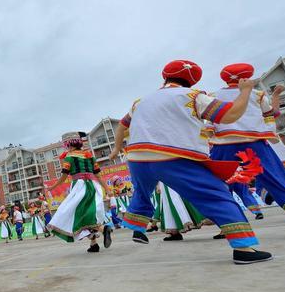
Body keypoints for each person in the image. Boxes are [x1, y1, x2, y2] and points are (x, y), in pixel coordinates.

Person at [110, 59, 272, 264]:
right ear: (192, 81)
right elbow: (230, 115)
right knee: (217, 196)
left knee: (142, 193)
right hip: (172, 157)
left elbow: (121, 127)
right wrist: (246, 91)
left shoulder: (140, 101)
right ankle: (244, 249)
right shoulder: (194, 96)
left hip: (136, 158)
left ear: (165, 76)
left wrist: (116, 149)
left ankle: (137, 226)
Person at [209, 64, 285, 237]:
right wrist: (275, 97)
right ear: (246, 77)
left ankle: (228, 227)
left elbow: (208, 122)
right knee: (279, 180)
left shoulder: (213, 96)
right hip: (255, 142)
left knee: (217, 186)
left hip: (223, 143)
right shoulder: (257, 94)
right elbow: (271, 114)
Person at [46, 132, 113, 253]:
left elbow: (63, 177)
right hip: (93, 185)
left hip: (79, 186)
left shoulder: (70, 157)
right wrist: (107, 189)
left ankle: (104, 229)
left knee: (74, 214)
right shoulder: (89, 155)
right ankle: (94, 244)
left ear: (68, 144)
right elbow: (98, 175)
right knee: (87, 214)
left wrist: (53, 187)